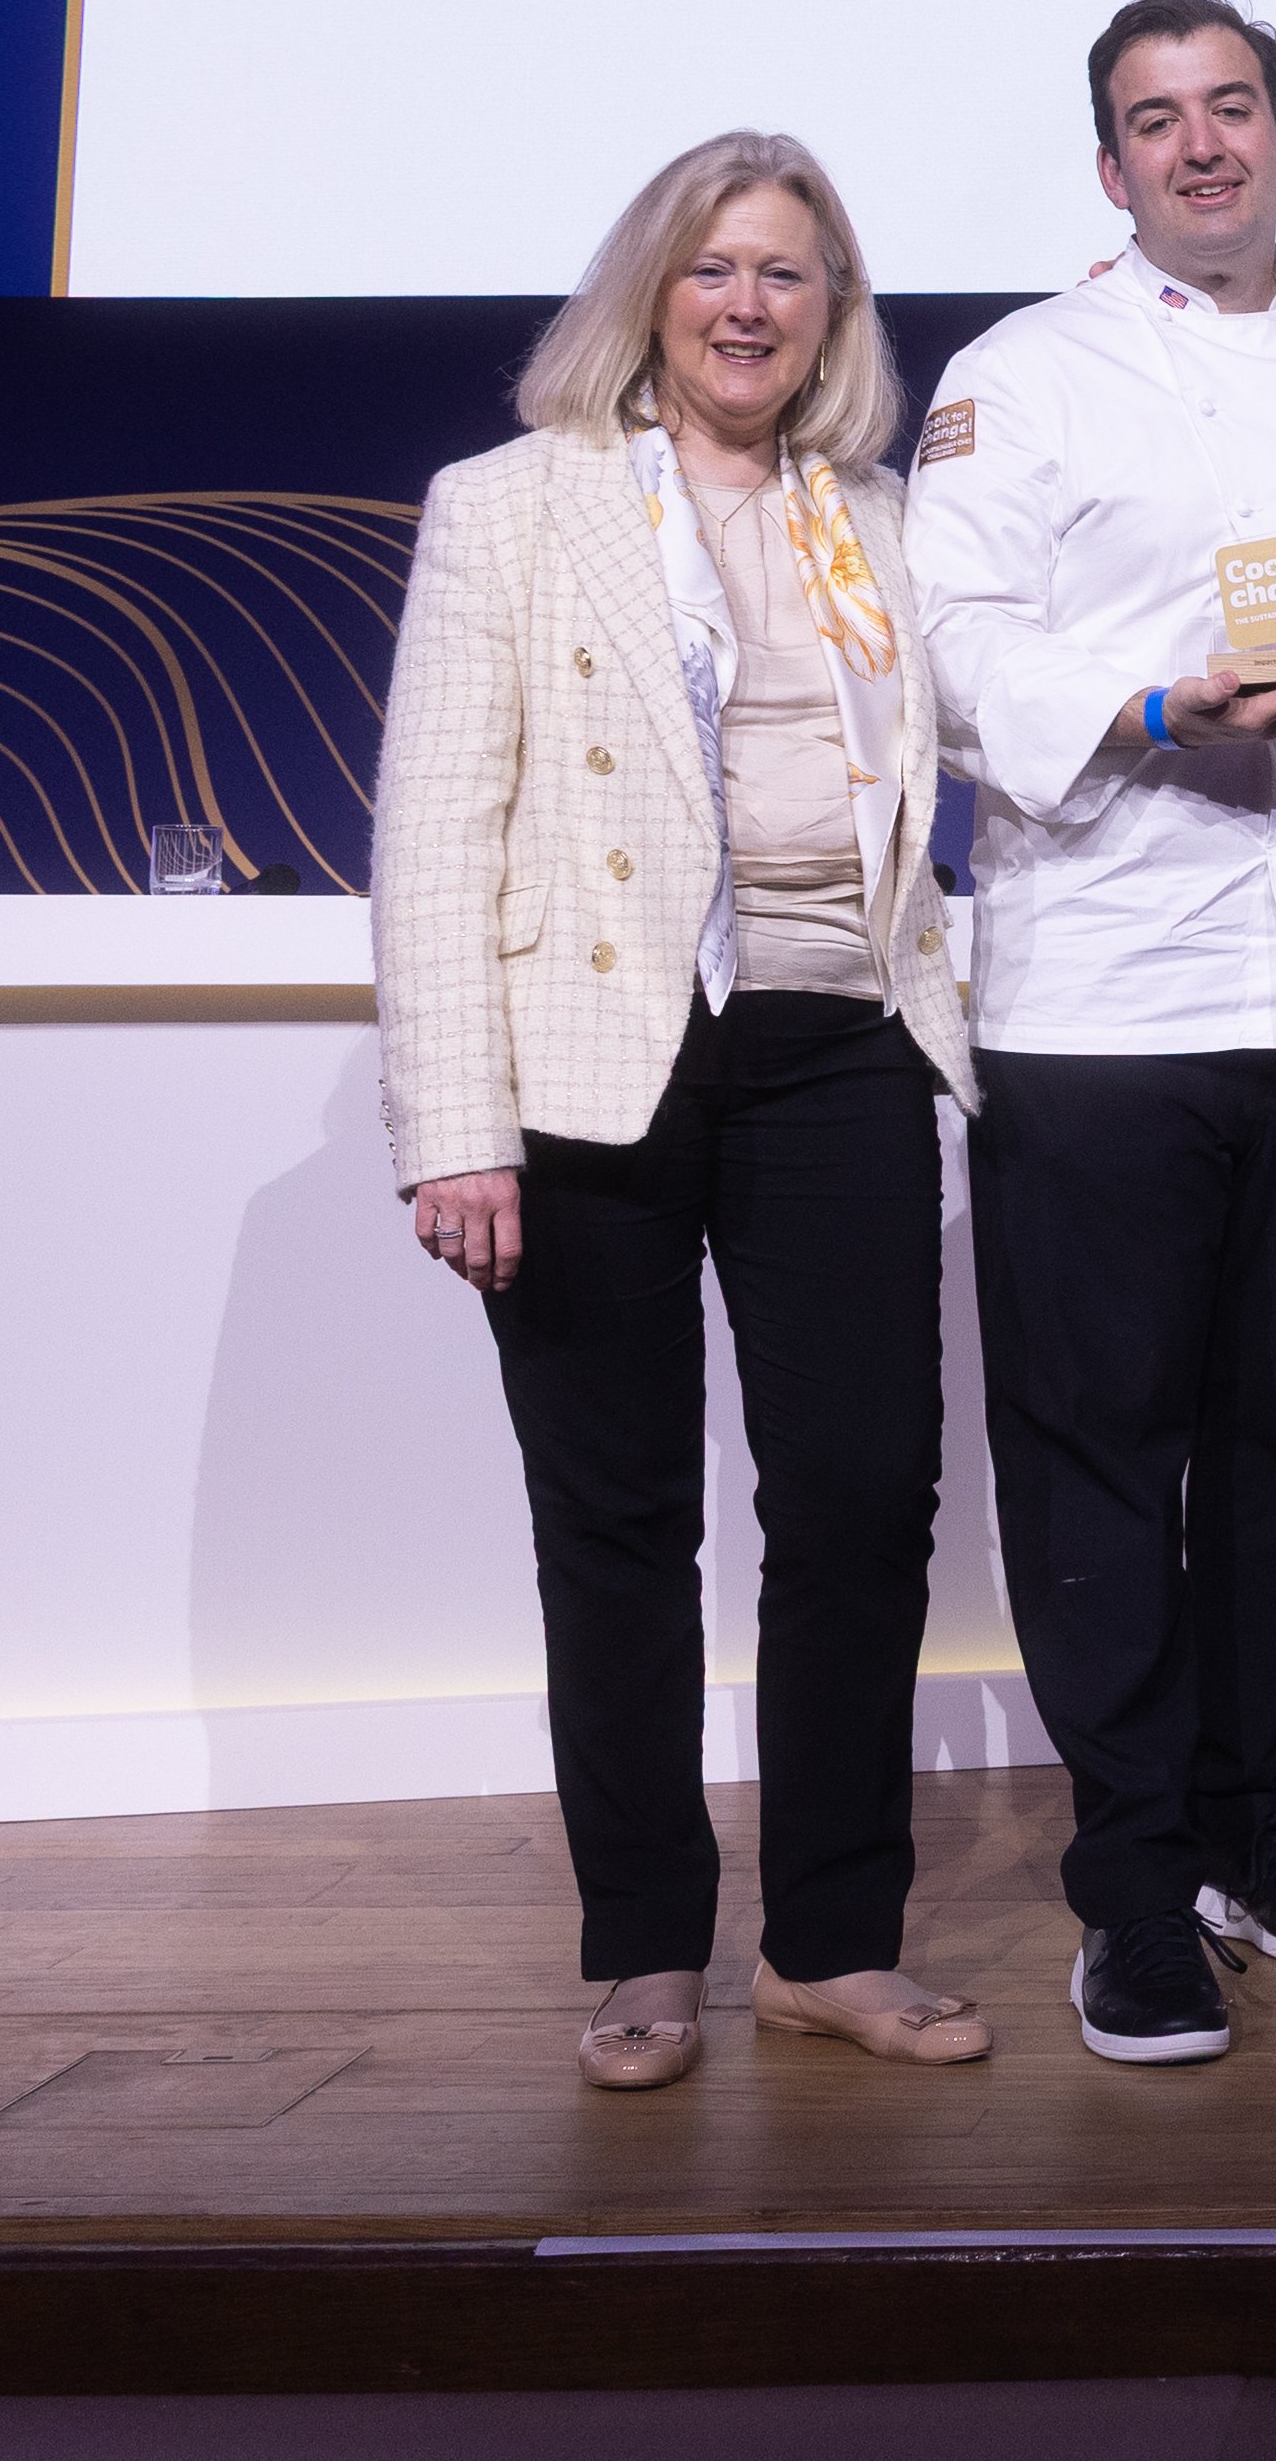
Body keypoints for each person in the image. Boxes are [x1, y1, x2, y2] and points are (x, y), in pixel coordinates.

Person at [372, 133, 990, 2091]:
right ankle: (646, 1947)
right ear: (650, 289)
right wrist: (453, 1123)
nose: (747, 303)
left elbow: (978, 738)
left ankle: (830, 1943)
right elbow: (433, 832)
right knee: (617, 1522)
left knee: (860, 1503)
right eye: (715, 266)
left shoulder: (880, 518)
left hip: (839, 1045)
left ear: (833, 310)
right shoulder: (509, 504)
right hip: (590, 1069)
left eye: (786, 272)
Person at [910, 0, 1276, 2069]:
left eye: (1234, 107)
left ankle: (1256, 1824)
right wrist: (1152, 705)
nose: (1201, 144)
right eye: (1158, 119)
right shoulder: (1020, 375)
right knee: (1103, 1455)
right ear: (1111, 166)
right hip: (1108, 994)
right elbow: (953, 648)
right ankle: (1134, 1879)